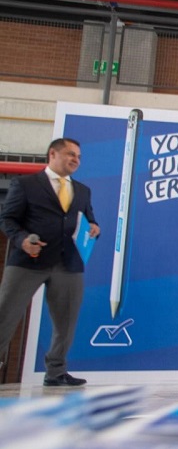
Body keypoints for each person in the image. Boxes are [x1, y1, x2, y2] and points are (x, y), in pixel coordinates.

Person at [0, 138, 100, 386]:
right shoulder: (25, 184)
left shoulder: (83, 190)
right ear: (52, 154)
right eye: (70, 154)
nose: (76, 159)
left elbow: (89, 218)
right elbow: (8, 219)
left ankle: (55, 372)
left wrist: (95, 227)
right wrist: (22, 240)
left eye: (78, 155)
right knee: (5, 315)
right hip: (27, 262)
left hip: (68, 264)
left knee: (66, 322)